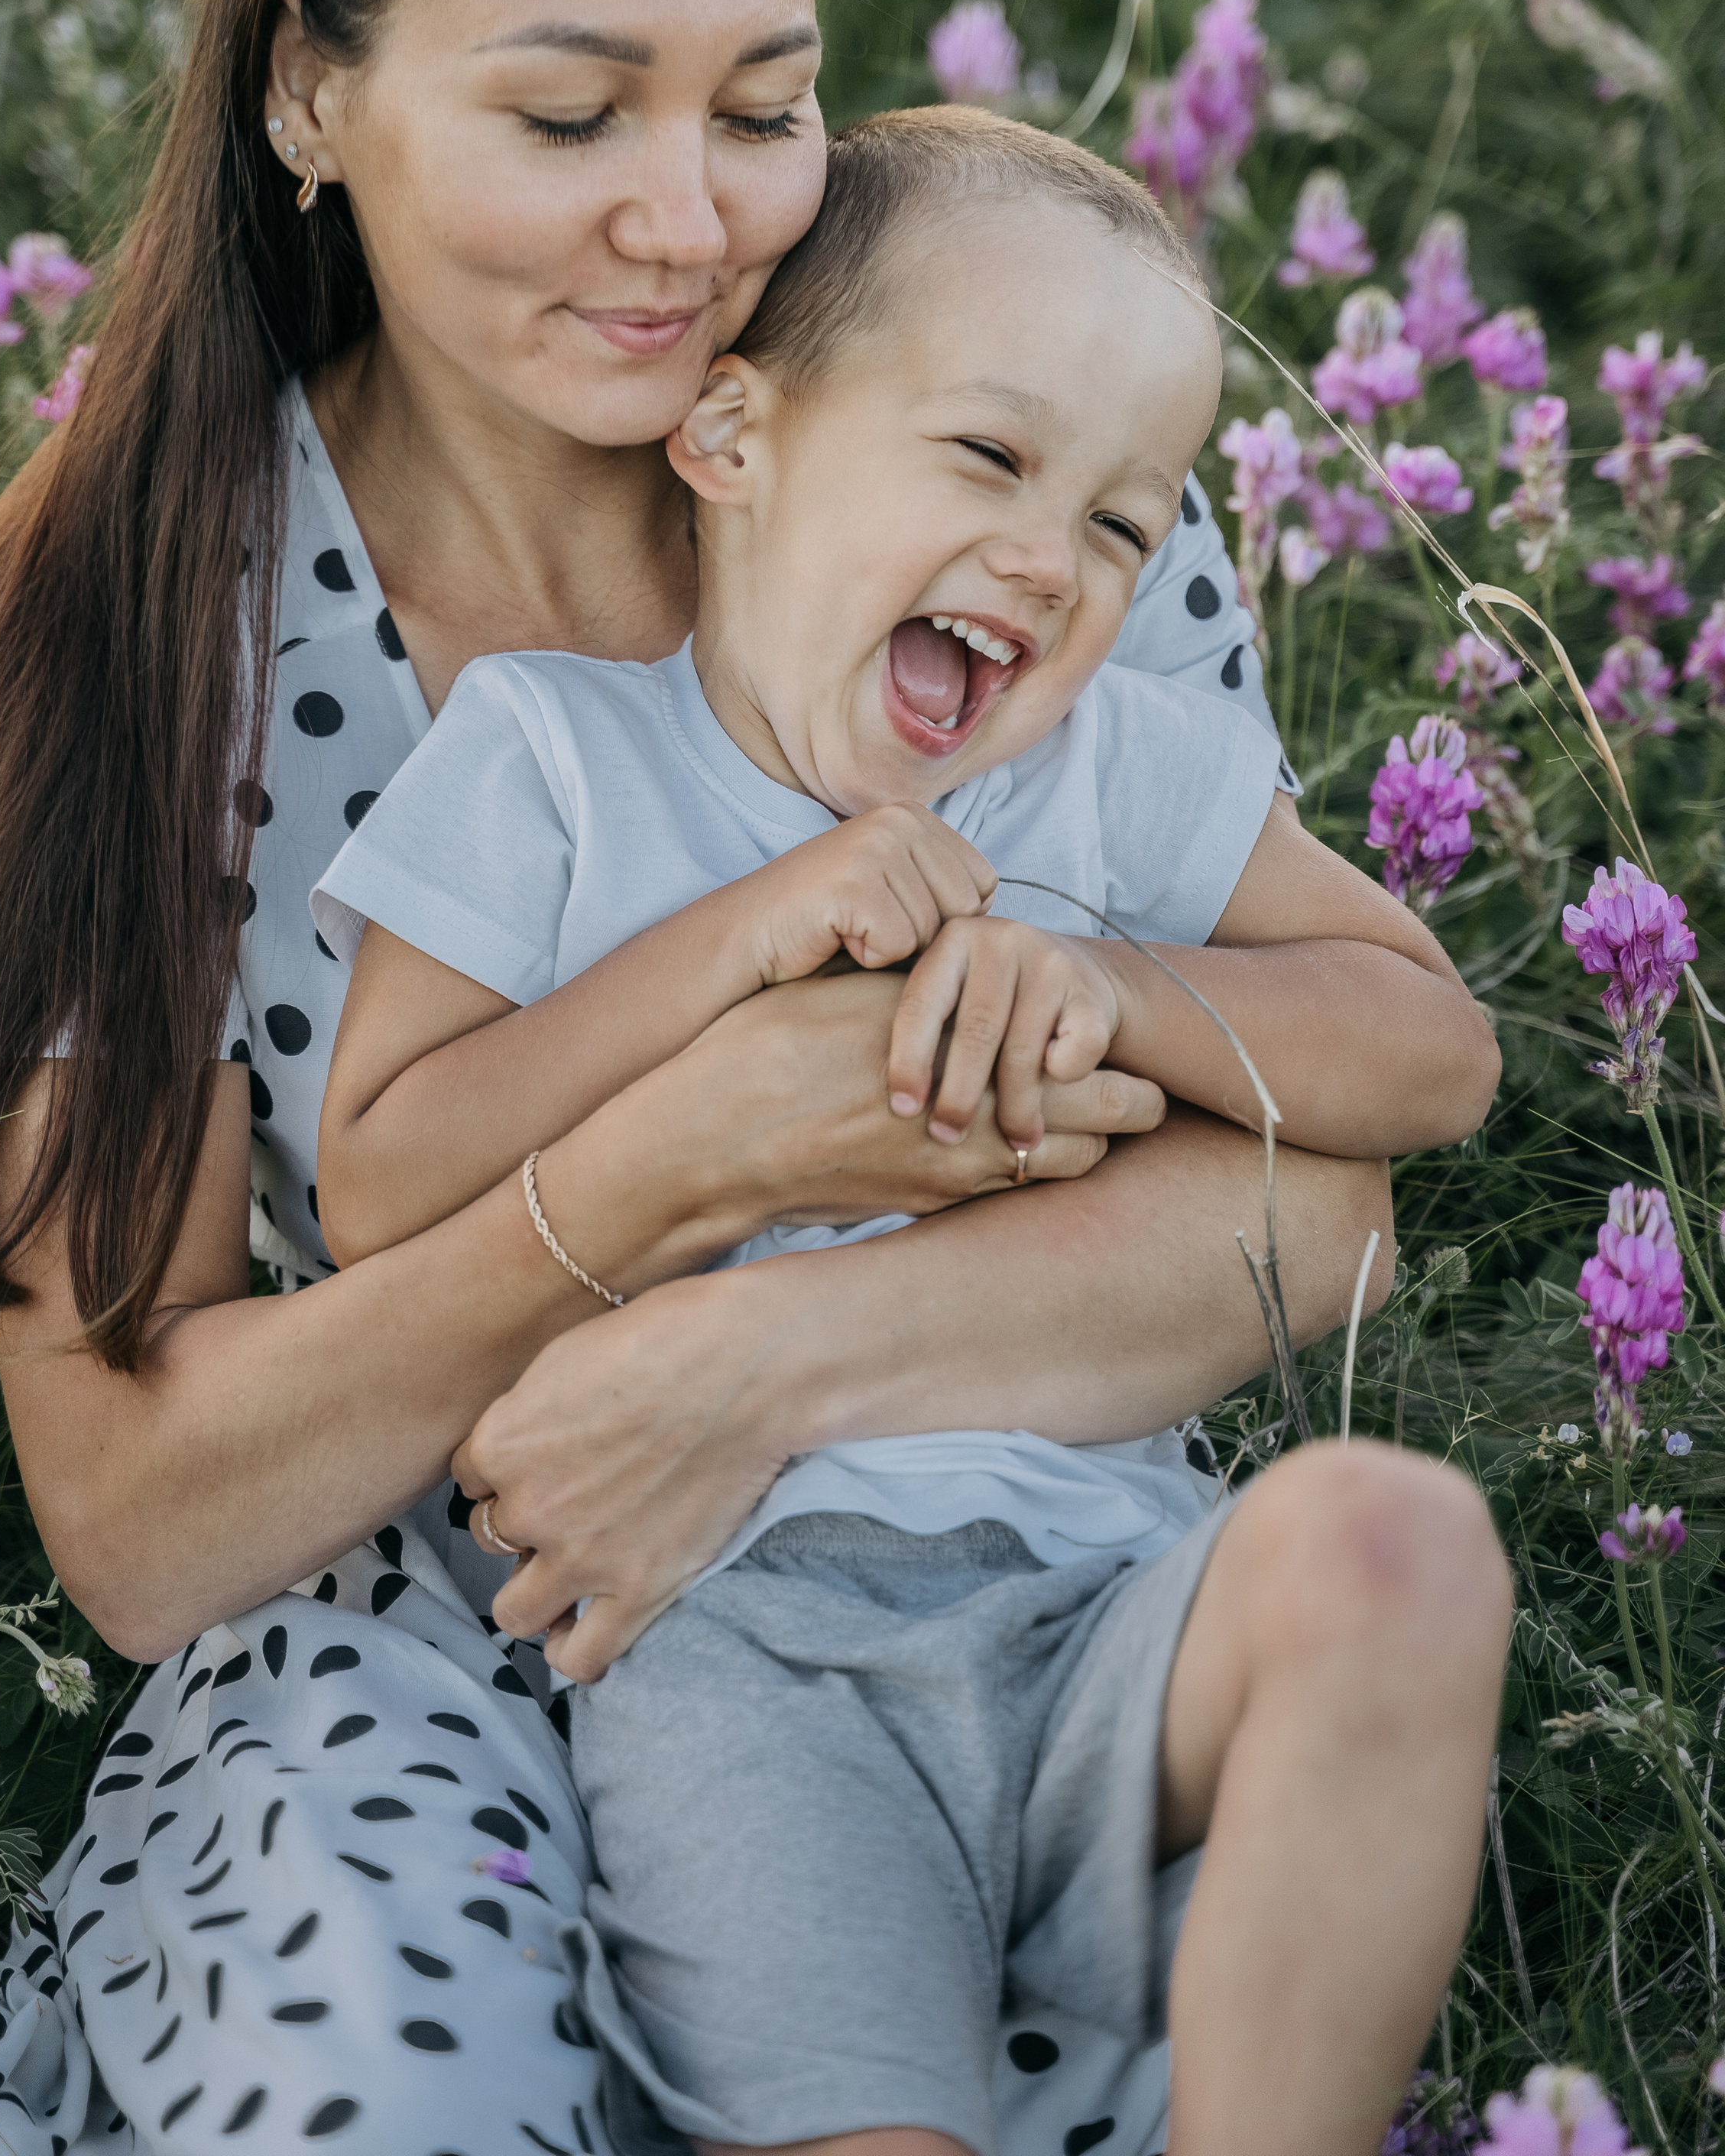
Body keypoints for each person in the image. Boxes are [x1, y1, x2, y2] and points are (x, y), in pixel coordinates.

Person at [0, 0, 1482, 2156]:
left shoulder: (994, 447)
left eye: (764, 104)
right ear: (311, 87)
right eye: (567, 110)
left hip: (968, 1567)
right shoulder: (112, 633)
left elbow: (1322, 1211)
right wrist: (698, 1160)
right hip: (403, 1630)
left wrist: (774, 1368)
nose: (686, 216)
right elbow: (150, 1519)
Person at [312, 105, 1508, 2156]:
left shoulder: (1116, 779)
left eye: (1130, 526)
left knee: (1396, 1544)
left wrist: (1130, 988)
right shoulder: (553, 760)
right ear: (732, 438)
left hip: (1108, 1601)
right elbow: (379, 1183)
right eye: (988, 458)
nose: (1055, 561)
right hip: (738, 1660)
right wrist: (737, 940)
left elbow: (1433, 1055)